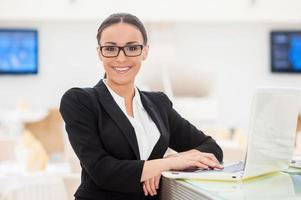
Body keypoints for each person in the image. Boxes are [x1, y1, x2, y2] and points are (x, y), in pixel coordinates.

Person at [60, 13, 223, 200]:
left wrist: (168, 161)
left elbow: (211, 148)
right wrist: (163, 165)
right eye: (111, 49)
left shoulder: (158, 104)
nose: (121, 58)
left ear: (145, 51)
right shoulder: (80, 101)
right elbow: (102, 171)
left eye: (132, 48)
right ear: (99, 52)